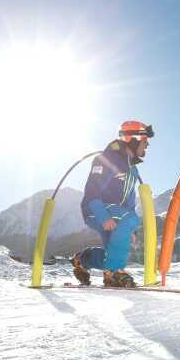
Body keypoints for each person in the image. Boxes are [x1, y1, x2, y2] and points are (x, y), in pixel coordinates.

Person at [72, 121, 153, 288]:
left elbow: (130, 202)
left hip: (116, 214)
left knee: (113, 253)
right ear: (134, 139)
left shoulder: (133, 170)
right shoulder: (107, 159)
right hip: (96, 209)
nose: (147, 145)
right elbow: (92, 191)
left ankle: (82, 260)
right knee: (131, 221)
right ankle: (113, 273)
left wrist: (130, 228)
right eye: (145, 141)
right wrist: (103, 216)